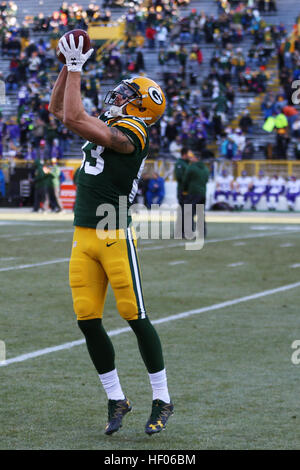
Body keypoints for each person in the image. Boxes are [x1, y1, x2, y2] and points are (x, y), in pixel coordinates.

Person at [49, 34, 173, 437]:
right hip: (82, 236)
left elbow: (72, 118)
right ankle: (117, 397)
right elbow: (58, 109)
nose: (117, 97)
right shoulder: (114, 122)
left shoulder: (135, 133)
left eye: (126, 94)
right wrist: (68, 64)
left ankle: (162, 398)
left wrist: (78, 66)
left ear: (141, 106)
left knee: (135, 317)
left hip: (114, 234)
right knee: (87, 320)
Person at [182, 152, 209, 238]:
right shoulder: (205, 168)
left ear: (196, 158)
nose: (190, 159)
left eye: (192, 157)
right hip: (202, 193)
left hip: (193, 193)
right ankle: (202, 232)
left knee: (189, 212)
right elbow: (206, 180)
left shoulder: (192, 167)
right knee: (200, 213)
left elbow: (185, 181)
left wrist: (184, 191)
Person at [174, 147, 190, 238]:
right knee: (183, 210)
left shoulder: (186, 164)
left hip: (187, 190)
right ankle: (181, 231)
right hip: (182, 190)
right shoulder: (180, 164)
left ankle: (183, 230)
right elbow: (180, 177)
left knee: (186, 210)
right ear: (184, 154)